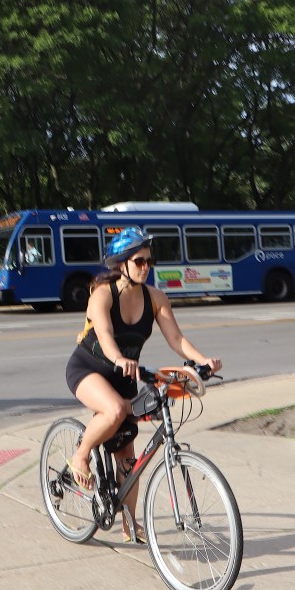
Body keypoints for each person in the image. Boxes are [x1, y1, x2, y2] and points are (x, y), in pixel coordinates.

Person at [64, 226, 222, 543]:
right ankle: (81, 455)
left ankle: (129, 523)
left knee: (128, 457)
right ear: (122, 263)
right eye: (139, 261)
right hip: (89, 369)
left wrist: (203, 361)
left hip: (125, 377)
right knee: (115, 410)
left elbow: (176, 339)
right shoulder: (102, 294)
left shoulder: (156, 298)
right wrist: (119, 358)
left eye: (150, 261)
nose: (146, 267)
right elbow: (106, 338)